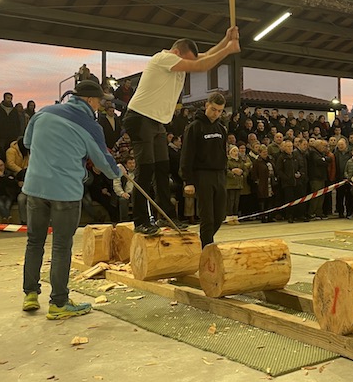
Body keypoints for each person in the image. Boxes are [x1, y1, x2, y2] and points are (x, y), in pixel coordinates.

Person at [21, 80, 122, 320]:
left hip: (35, 188)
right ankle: (59, 302)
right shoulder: (90, 125)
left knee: (34, 242)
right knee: (61, 245)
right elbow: (104, 162)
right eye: (99, 101)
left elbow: (27, 142)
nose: (100, 106)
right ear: (89, 100)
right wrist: (118, 171)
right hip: (65, 192)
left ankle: (30, 294)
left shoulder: (43, 112)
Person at [124, 28, 240, 235]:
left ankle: (166, 216)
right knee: (146, 170)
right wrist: (229, 50)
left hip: (156, 121)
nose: (187, 66)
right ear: (177, 53)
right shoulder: (163, 58)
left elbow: (205, 56)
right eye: (187, 61)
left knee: (162, 169)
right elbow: (201, 65)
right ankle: (141, 221)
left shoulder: (177, 60)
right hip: (140, 117)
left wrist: (226, 40)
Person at [180, 93, 228, 247]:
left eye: (219, 111)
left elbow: (223, 152)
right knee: (207, 217)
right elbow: (187, 155)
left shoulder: (221, 128)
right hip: (202, 175)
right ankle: (207, 248)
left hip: (219, 174)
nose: (216, 113)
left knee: (220, 216)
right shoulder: (194, 127)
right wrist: (188, 181)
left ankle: (204, 242)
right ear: (207, 105)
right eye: (213, 109)